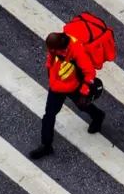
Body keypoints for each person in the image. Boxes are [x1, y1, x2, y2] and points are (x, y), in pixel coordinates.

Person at [29, 32, 106, 160]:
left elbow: (90, 73)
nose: (48, 50)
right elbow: (51, 55)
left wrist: (84, 92)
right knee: (49, 115)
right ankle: (46, 146)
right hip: (56, 86)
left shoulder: (78, 52)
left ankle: (98, 116)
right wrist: (49, 66)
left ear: (60, 48)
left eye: (50, 48)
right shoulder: (57, 45)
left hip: (73, 86)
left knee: (82, 106)